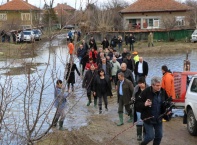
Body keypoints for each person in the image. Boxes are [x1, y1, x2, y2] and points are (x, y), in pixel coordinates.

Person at [135, 77, 170, 145]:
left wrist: (168, 110)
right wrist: (144, 104)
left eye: (160, 85)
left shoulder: (163, 91)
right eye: (157, 85)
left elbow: (168, 102)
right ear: (152, 85)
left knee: (159, 136)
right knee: (150, 136)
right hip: (148, 118)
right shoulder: (146, 92)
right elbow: (137, 104)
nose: (159, 87)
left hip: (159, 118)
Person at [132, 77, 149, 141]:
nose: (139, 85)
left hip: (146, 109)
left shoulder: (148, 89)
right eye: (138, 83)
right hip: (138, 109)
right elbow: (133, 97)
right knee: (139, 122)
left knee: (145, 122)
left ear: (144, 83)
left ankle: (145, 135)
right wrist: (133, 100)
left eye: (140, 83)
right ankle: (139, 136)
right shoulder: (136, 88)